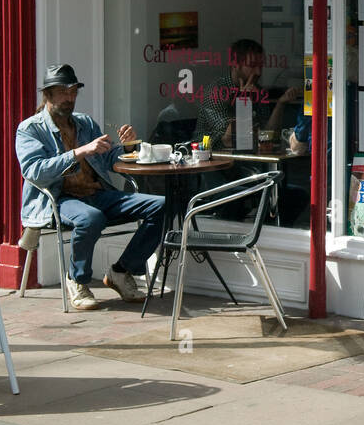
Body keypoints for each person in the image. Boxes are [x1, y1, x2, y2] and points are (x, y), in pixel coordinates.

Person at [16, 63, 165, 311]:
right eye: (64, 92)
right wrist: (78, 153)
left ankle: (121, 271)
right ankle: (77, 279)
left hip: (97, 193)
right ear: (48, 94)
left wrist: (127, 147)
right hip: (58, 198)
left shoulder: (84, 123)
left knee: (161, 206)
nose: (70, 98)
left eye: (73, 92)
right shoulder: (30, 129)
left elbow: (106, 160)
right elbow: (34, 172)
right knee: (90, 218)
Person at [194, 38, 299, 149]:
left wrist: (280, 104)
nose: (258, 72)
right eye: (252, 66)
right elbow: (229, 139)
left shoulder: (257, 90)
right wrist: (243, 101)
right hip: (213, 158)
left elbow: (266, 135)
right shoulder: (216, 92)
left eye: (260, 66)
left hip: (247, 157)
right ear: (235, 64)